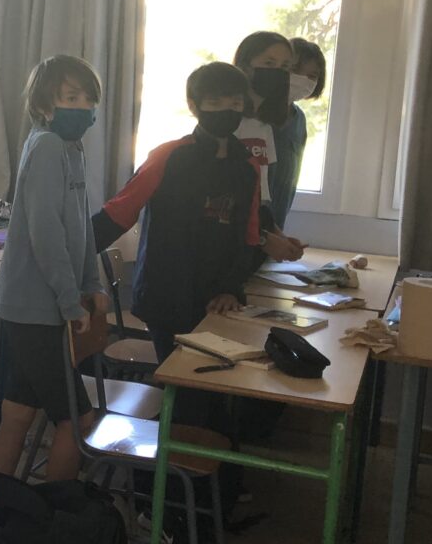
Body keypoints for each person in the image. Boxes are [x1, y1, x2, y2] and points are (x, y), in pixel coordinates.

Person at [0, 56, 108, 509]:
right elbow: (46, 234)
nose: (83, 107)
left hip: (46, 305)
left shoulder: (72, 148)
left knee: (18, 413)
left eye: (89, 99)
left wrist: (92, 281)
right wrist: (70, 300)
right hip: (35, 307)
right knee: (78, 421)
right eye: (71, 97)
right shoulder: (48, 146)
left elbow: (82, 225)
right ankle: (52, 524)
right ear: (44, 105)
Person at [92, 62, 262, 365]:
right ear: (194, 106)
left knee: (219, 380)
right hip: (167, 295)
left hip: (219, 300)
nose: (227, 110)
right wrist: (69, 256)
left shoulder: (248, 167)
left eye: (235, 103)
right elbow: (118, 214)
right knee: (180, 379)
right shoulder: (168, 156)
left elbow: (248, 235)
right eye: (215, 102)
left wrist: (231, 289)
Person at [232, 31, 305, 260]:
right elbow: (221, 201)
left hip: (252, 243)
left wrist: (278, 236)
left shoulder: (264, 126)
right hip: (227, 246)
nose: (277, 73)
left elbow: (260, 197)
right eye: (269, 63)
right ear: (245, 67)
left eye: (285, 67)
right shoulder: (228, 122)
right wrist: (264, 239)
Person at [271, 37, 327, 227]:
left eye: (312, 75)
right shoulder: (255, 116)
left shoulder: (299, 120)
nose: (303, 79)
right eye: (295, 70)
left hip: (278, 218)